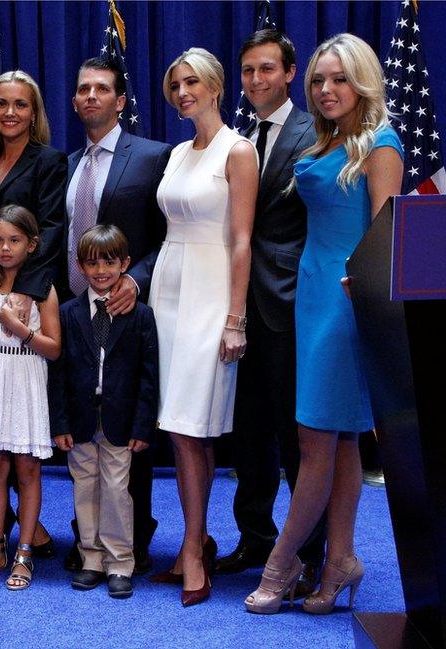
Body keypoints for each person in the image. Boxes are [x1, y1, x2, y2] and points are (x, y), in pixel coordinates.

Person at [244, 33, 403, 615]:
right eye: (318, 80)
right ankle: (340, 560)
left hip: (345, 301)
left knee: (314, 438)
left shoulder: (381, 143)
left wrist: (365, 289)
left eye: (339, 79)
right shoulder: (322, 138)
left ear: (361, 81)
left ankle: (283, 562)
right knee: (336, 440)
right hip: (307, 294)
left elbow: (387, 237)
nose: (327, 90)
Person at [214, 29, 326, 598]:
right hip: (233, 306)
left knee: (294, 434)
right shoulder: (232, 139)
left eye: (266, 70)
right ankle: (255, 538)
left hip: (289, 303)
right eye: (248, 71)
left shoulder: (315, 133)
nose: (256, 80)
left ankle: (311, 553)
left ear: (289, 72)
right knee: (249, 435)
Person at [149, 48, 258, 607]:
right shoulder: (175, 154)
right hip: (167, 290)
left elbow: (242, 240)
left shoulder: (238, 150)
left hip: (212, 294)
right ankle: (199, 538)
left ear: (216, 87)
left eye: (193, 82)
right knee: (179, 425)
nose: (183, 92)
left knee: (193, 426)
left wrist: (235, 319)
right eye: (175, 84)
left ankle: (193, 550)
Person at [62, 56, 172, 574]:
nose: (90, 97)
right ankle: (89, 544)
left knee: (126, 432)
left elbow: (170, 236)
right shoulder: (68, 164)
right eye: (83, 88)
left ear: (121, 100)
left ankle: (132, 543)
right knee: (84, 433)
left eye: (101, 89)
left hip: (131, 309)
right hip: (76, 315)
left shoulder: (152, 157)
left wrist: (135, 279)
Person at [0, 69, 66, 561]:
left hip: (23, 305)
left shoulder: (47, 161)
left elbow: (50, 227)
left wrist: (23, 293)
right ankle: (11, 532)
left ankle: (23, 536)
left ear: (34, 111)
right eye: (1, 103)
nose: (9, 112)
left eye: (20, 104)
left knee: (20, 433)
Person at [49, 224, 158, 599]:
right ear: (80, 266)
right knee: (85, 487)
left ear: (125, 264)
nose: (100, 271)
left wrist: (143, 425)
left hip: (120, 422)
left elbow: (148, 376)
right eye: (92, 264)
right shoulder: (67, 313)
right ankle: (90, 558)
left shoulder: (141, 316)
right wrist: (59, 422)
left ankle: (120, 562)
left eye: (109, 263)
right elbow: (58, 374)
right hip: (79, 421)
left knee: (115, 489)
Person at [0, 205, 61, 590]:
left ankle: (24, 553)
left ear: (32, 244)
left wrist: (20, 328)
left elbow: (54, 349)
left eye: (14, 240)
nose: (5, 248)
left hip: (25, 376)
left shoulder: (42, 289)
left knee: (28, 469)